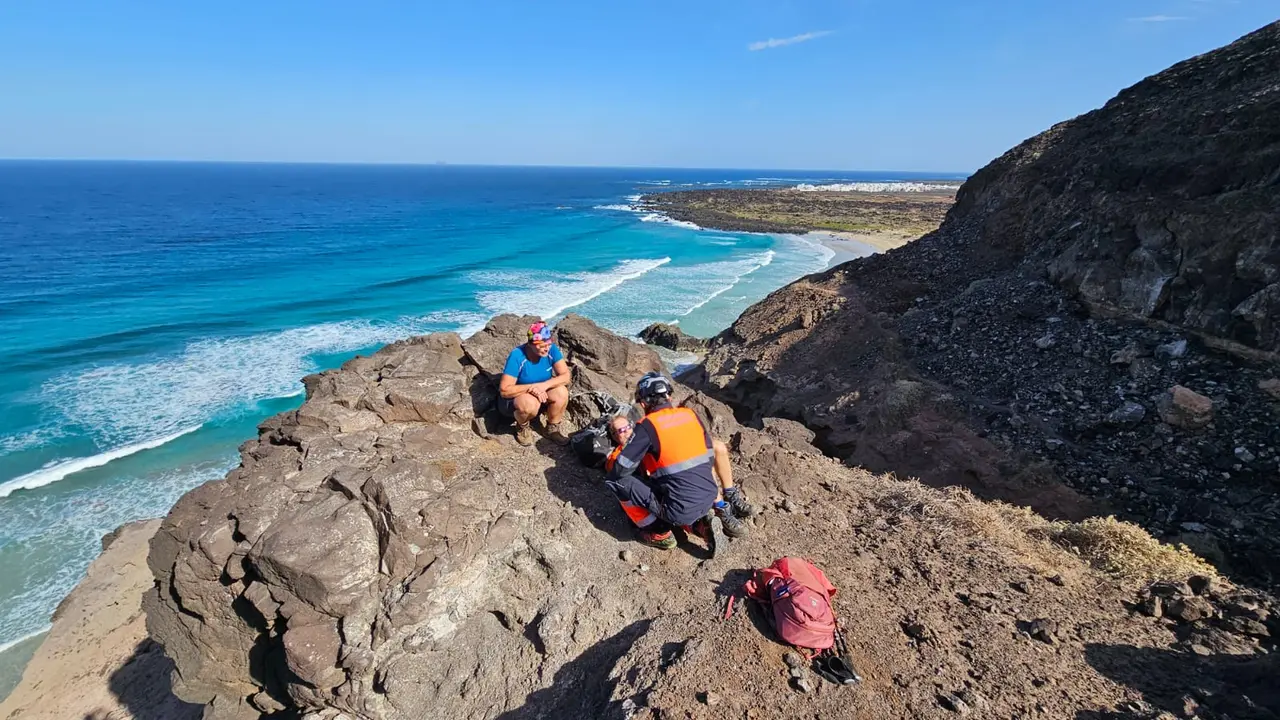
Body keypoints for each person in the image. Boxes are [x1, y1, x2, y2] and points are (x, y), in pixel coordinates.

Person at [603, 372, 750, 555]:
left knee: (616, 481)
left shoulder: (647, 425)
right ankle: (702, 524)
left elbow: (619, 471)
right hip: (710, 497)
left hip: (679, 508)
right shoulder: (690, 415)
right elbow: (707, 456)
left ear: (643, 404)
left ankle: (659, 533)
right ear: (669, 396)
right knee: (679, 486)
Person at [499, 321, 572, 446]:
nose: (546, 348)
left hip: (543, 391)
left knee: (562, 393)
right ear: (530, 344)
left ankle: (552, 428)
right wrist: (531, 387)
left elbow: (566, 376)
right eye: (542, 345)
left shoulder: (551, 350)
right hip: (519, 398)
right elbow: (505, 390)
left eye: (548, 344)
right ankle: (522, 426)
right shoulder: (517, 355)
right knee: (529, 405)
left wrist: (543, 386)